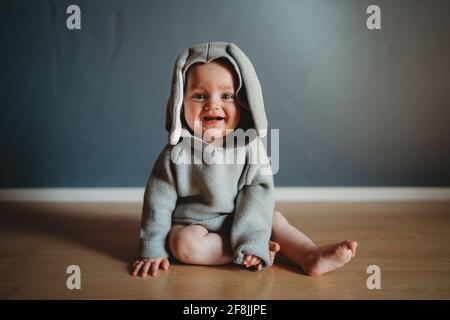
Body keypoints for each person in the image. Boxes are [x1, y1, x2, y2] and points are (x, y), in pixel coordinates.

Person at [132, 42, 357, 278]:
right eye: (199, 95)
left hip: (244, 215)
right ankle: (244, 253)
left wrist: (252, 236)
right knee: (183, 245)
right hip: (195, 225)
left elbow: (258, 193)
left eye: (227, 95)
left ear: (245, 101)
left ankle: (309, 255)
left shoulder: (249, 146)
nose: (213, 104)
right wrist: (153, 247)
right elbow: (157, 203)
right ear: (180, 102)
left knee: (274, 221)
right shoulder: (175, 154)